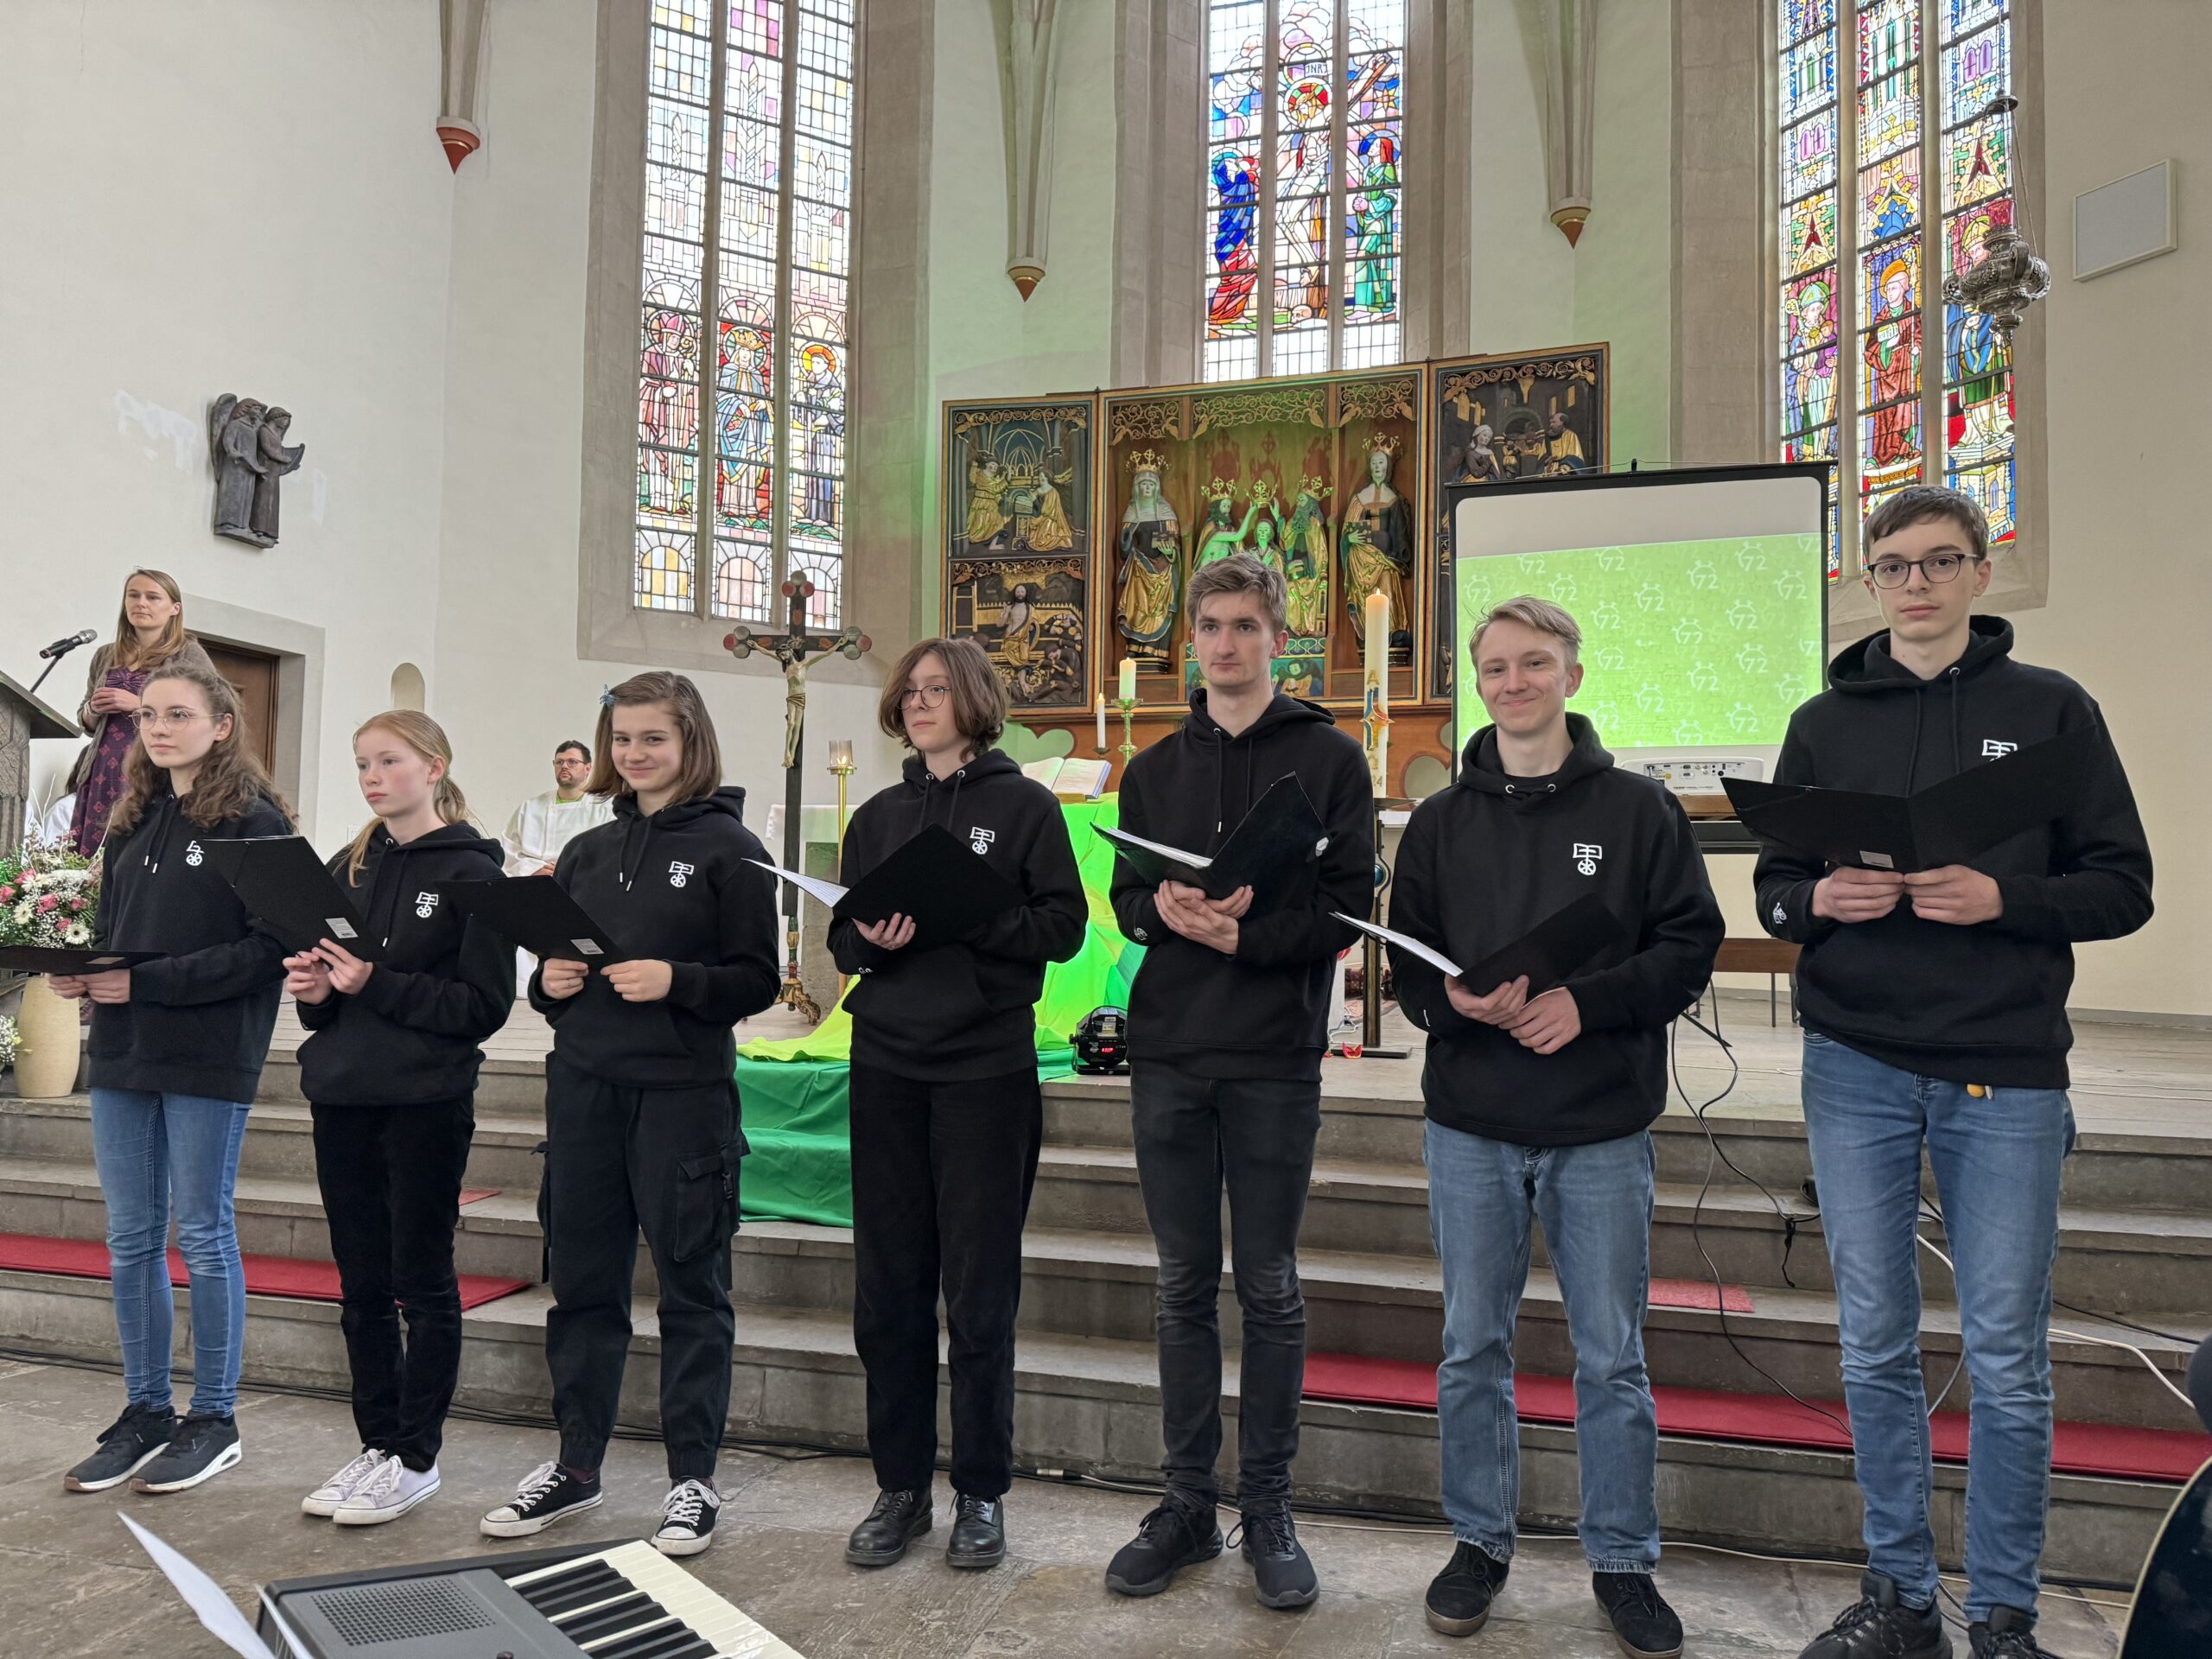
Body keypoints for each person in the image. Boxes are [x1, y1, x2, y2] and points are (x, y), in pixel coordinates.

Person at [1756, 487, 2152, 1659]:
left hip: (2004, 1070)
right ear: (1869, 582)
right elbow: (1776, 888)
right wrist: (1819, 900)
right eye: (1893, 565)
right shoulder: (1823, 721)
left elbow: (2124, 887)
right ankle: (1901, 1598)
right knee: (1873, 1345)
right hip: (1854, 1062)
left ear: (1981, 573)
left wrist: (2002, 898)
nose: (1915, 584)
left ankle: (2005, 1617)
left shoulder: (2052, 711)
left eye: (1939, 561)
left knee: (2007, 1359)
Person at [1387, 597, 1722, 1658]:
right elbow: (1407, 969)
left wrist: (1588, 1003)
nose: (1514, 682)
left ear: (1572, 676)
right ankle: (1477, 1542)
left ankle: (1621, 1558)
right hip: (1472, 1123)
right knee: (1470, 1347)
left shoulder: (1639, 810)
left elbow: (1688, 948)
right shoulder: (1439, 822)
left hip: (1599, 1124)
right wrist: (1454, 1004)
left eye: (1534, 663)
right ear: (1476, 684)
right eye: (1494, 667)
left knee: (1610, 1355)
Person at [1103, 555, 1373, 1610]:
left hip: (1271, 1051)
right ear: (1192, 641)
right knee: (1180, 1284)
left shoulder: (1329, 759)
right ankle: (1185, 1505)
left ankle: (1266, 1508)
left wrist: (1246, 936)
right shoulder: (1153, 765)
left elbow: (1346, 912)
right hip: (1170, 1050)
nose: (1225, 643)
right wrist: (1160, 914)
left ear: (1278, 639)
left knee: (1267, 1285)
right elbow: (1126, 896)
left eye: (1244, 626)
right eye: (1210, 626)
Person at [480, 672, 779, 1558]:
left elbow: (757, 979)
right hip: (583, 1092)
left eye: (653, 737)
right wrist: (551, 982)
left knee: (692, 1287)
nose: (635, 753)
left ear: (691, 742)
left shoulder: (732, 849)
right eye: (622, 738)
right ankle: (576, 1465)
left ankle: (692, 1478)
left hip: (683, 1097)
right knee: (582, 1286)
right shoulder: (584, 850)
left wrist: (677, 980)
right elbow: (555, 979)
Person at [830, 637, 1085, 1572]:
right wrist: (873, 939)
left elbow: (1062, 927)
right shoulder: (879, 815)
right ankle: (900, 1488)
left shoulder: (1024, 807)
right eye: (910, 690)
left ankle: (981, 1491)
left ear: (974, 699)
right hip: (886, 1063)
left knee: (978, 1293)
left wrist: (968, 912)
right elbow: (842, 937)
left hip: (983, 1066)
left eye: (938, 688)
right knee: (889, 1288)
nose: (920, 701)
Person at [53, 660, 292, 1496]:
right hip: (125, 1046)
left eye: (178, 715)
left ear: (222, 726)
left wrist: (143, 980)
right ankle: (147, 1411)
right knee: (129, 1236)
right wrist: (86, 973)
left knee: (203, 1233)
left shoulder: (254, 821)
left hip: (208, 1049)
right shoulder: (133, 818)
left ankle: (214, 1418)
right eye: (150, 715)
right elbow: (118, 932)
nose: (159, 728)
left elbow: (270, 950)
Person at [286, 712, 514, 1526]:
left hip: (424, 1100)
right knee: (361, 1285)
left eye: (389, 761)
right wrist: (317, 993)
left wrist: (372, 983)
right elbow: (329, 1002)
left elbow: (482, 1006)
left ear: (434, 767)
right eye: (362, 765)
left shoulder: (474, 873)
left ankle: (417, 1456)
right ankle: (376, 1444)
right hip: (343, 1093)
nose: (373, 778)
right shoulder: (349, 866)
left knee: (421, 1281)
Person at [68, 569, 218, 855]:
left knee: (137, 852)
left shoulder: (188, 654)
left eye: (153, 597)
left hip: (153, 767)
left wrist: (140, 705)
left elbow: (207, 712)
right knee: (94, 856)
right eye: (133, 595)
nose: (141, 603)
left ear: (175, 608)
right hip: (104, 765)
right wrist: (93, 708)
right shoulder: (106, 655)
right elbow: (86, 723)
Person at [500, 740, 612, 877]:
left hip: (582, 883)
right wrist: (533, 870)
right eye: (559, 762)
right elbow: (509, 851)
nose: (564, 766)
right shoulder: (529, 808)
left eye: (572, 762)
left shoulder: (604, 808)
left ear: (588, 768)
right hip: (536, 882)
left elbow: (610, 854)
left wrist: (569, 868)